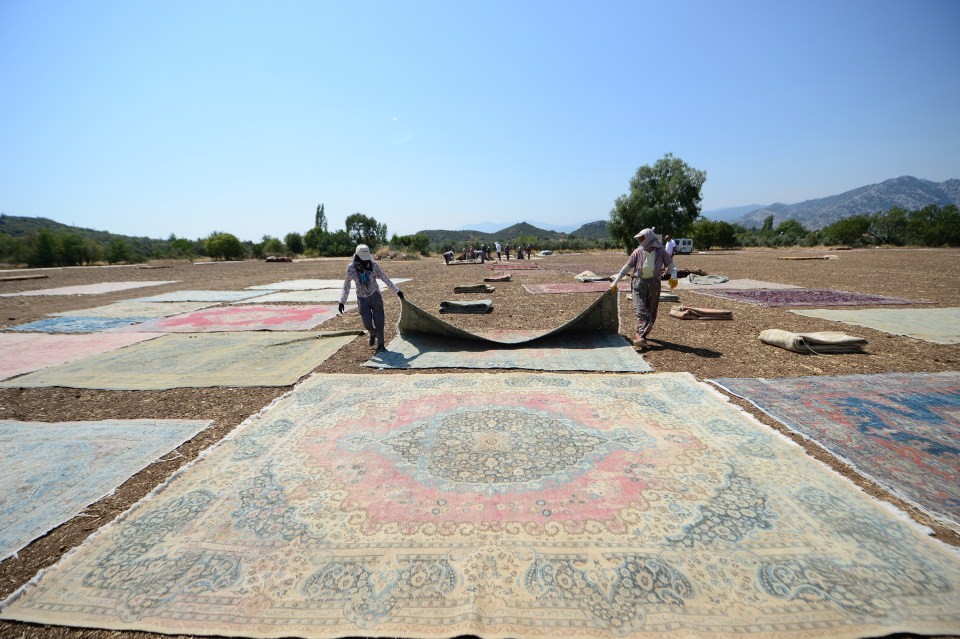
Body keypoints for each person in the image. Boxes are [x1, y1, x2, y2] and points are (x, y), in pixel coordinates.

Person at [610, 228, 678, 350]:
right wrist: (615, 282)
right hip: (638, 283)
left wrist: (674, 276)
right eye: (639, 238)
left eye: (642, 238)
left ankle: (642, 336)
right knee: (640, 309)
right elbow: (626, 268)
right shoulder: (637, 252)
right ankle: (639, 337)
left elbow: (671, 265)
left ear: (649, 237)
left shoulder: (661, 251)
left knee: (651, 311)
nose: (640, 240)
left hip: (654, 284)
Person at [338, 244, 404, 353]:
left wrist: (396, 290)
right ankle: (372, 333)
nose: (365, 262)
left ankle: (381, 345)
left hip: (375, 295)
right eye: (363, 259)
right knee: (367, 322)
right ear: (357, 257)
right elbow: (346, 285)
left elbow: (385, 278)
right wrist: (342, 301)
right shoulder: (351, 268)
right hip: (362, 299)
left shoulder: (374, 266)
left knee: (380, 321)